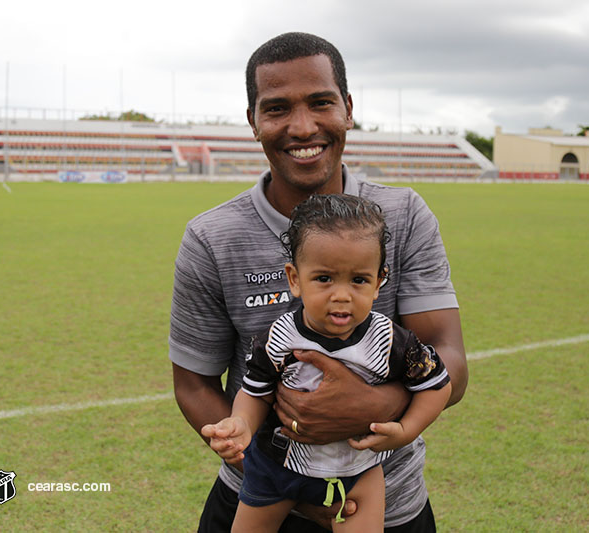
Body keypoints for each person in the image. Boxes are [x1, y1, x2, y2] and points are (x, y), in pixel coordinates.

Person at [169, 31, 467, 532]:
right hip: (258, 498)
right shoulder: (211, 236)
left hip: (386, 505)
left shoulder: (405, 214)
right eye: (278, 108)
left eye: (321, 103)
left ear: (348, 109)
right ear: (254, 122)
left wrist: (374, 408)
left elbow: (448, 359)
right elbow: (194, 383)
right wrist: (283, 480)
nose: (302, 127)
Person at [209, 194, 452, 532]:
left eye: (359, 280)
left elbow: (437, 386)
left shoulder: (391, 341)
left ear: (379, 281)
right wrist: (240, 424)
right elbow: (256, 392)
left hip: (356, 473)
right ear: (295, 279)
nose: (341, 295)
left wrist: (406, 430)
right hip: (276, 466)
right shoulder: (279, 336)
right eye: (324, 278)